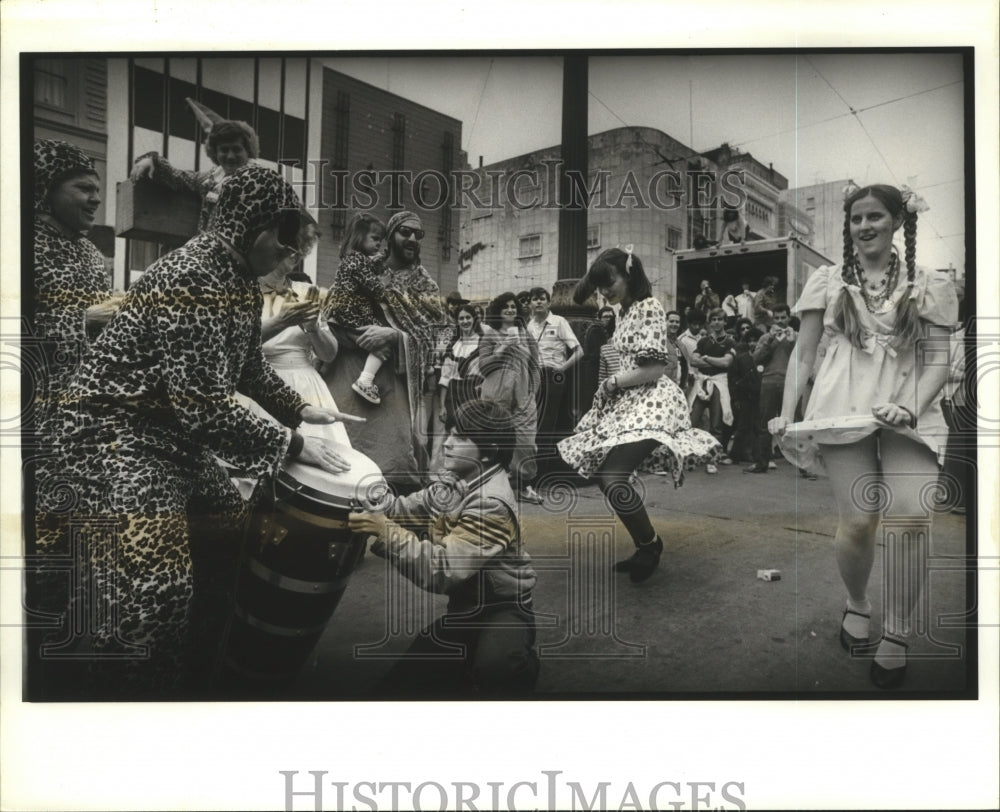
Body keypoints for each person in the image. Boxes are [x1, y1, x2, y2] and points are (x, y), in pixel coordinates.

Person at [34, 166, 361, 698]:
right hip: (112, 435)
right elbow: (204, 406)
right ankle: (124, 707)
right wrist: (294, 444)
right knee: (157, 590)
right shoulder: (192, 275)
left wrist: (302, 411)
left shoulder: (238, 281)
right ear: (251, 226)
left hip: (170, 439)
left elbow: (249, 367)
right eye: (283, 241)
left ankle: (194, 679)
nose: (287, 256)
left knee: (232, 537)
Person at [769, 183, 957, 689]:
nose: (864, 226)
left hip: (907, 405)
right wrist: (787, 412)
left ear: (897, 221)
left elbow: (938, 357)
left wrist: (909, 406)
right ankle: (857, 604)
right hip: (842, 407)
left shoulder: (929, 281)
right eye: (856, 219)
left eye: (875, 217)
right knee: (858, 523)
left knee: (912, 516)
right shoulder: (827, 281)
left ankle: (897, 632)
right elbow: (803, 355)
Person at [348, 399, 539, 696]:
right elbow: (407, 509)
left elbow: (443, 569)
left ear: (487, 452)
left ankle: (521, 665)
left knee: (496, 670)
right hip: (465, 606)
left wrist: (385, 531)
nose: (447, 443)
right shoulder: (457, 480)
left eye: (460, 437)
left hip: (502, 608)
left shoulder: (491, 503)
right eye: (449, 433)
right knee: (399, 685)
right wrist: (371, 501)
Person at [558, 248, 720, 582]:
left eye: (610, 282)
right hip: (628, 403)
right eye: (600, 286)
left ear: (630, 274)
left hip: (652, 402)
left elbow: (654, 369)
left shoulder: (649, 307)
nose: (605, 291)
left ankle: (650, 545)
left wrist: (613, 381)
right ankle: (646, 543)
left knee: (613, 477)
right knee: (607, 478)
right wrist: (609, 388)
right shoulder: (624, 314)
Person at [322, 210, 446, 491]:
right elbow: (332, 309)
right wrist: (355, 336)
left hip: (393, 380)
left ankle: (393, 526)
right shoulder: (361, 266)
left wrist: (394, 336)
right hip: (347, 369)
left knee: (396, 461)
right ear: (390, 236)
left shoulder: (425, 284)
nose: (412, 238)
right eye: (405, 232)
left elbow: (437, 337)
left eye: (418, 234)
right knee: (342, 453)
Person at [30, 139, 120, 438]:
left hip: (94, 408)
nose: (96, 199)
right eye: (84, 189)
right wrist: (82, 320)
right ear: (47, 190)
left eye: (97, 190)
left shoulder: (91, 251)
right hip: (37, 414)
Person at [130, 102, 260, 233]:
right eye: (224, 150)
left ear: (248, 151)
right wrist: (152, 160)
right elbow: (178, 177)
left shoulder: (259, 179)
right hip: (207, 248)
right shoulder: (210, 180)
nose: (230, 156)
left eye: (237, 149)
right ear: (215, 152)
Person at [479, 291, 542, 505]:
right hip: (496, 396)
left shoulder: (526, 334)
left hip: (523, 395)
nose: (510, 310)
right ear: (498, 310)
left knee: (526, 442)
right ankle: (496, 489)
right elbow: (484, 367)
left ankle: (524, 486)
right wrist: (503, 346)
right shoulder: (490, 335)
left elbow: (535, 365)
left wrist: (533, 389)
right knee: (497, 443)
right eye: (505, 306)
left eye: (513, 306)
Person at [325, 212, 389, 404]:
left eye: (381, 240)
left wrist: (377, 261)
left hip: (339, 316)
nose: (379, 244)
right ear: (360, 237)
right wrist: (384, 282)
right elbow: (376, 290)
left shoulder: (349, 259)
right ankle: (365, 380)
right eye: (375, 239)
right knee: (383, 344)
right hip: (354, 316)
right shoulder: (358, 261)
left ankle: (321, 371)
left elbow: (366, 270)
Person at [527, 285, 583, 472]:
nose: (539, 302)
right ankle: (533, 467)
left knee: (546, 423)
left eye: (542, 298)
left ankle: (541, 470)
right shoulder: (530, 325)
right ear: (530, 304)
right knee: (533, 421)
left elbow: (579, 351)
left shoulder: (559, 322)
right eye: (535, 299)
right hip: (534, 376)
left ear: (549, 302)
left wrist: (560, 369)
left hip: (552, 375)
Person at [748, 303, 796, 473]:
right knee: (765, 423)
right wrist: (770, 339)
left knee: (796, 422)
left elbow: (803, 358)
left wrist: (793, 342)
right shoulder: (765, 337)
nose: (780, 321)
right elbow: (756, 359)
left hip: (791, 382)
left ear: (789, 318)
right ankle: (762, 463)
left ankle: (804, 466)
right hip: (769, 381)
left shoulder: (796, 336)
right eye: (777, 318)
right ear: (772, 319)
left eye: (783, 317)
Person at [689, 308, 736, 473]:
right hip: (702, 382)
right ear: (710, 322)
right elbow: (693, 360)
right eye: (713, 319)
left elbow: (726, 363)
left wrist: (707, 358)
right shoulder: (703, 341)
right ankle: (692, 456)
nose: (716, 322)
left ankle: (712, 460)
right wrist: (714, 362)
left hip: (718, 383)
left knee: (717, 423)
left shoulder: (729, 342)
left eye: (720, 319)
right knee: (693, 419)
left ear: (725, 322)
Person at [437, 303, 484, 429]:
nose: (465, 321)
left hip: (475, 395)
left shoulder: (483, 342)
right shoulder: (453, 345)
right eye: (461, 318)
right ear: (457, 322)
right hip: (453, 397)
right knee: (454, 434)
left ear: (474, 319)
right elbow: (445, 378)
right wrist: (442, 406)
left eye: (468, 317)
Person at [730, 327, 764, 467]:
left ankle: (757, 456)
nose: (753, 343)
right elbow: (733, 379)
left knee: (758, 426)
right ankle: (735, 455)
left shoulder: (765, 357)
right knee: (742, 426)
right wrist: (735, 398)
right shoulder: (741, 359)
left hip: (760, 397)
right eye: (750, 341)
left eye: (756, 340)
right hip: (744, 397)